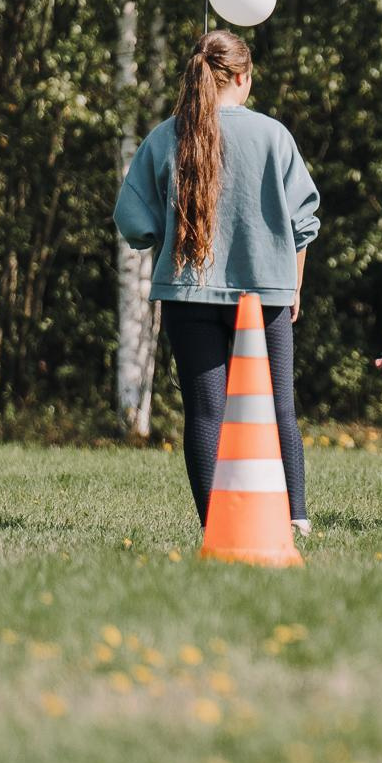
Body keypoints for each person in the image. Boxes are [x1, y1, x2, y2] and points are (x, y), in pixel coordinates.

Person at [115, 30, 321, 535]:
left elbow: (132, 220)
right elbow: (304, 222)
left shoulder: (167, 135)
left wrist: (166, 230)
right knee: (279, 407)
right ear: (243, 78)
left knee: (206, 413)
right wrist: (294, 287)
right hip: (265, 294)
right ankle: (295, 517)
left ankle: (216, 526)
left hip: (188, 293)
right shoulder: (274, 136)